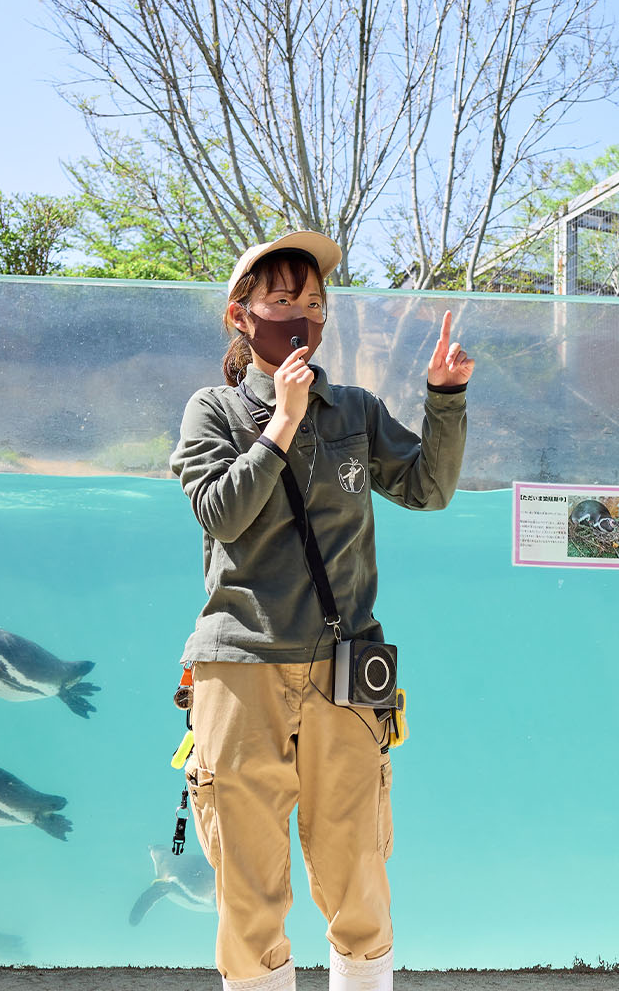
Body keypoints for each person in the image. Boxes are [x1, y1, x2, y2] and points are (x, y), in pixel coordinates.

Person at [170, 231, 473, 991]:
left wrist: (444, 398)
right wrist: (282, 420)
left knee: (357, 870)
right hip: (238, 669)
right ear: (242, 316)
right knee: (248, 882)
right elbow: (222, 513)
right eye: (282, 300)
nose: (301, 314)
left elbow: (428, 490)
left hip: (344, 667)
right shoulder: (212, 411)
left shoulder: (357, 412)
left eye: (314, 301)